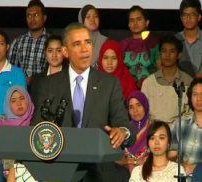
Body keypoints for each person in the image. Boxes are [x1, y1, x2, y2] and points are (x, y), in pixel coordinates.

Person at [31, 22, 136, 182]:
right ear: (65, 51)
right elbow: (37, 128)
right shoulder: (49, 85)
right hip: (60, 171)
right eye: (77, 44)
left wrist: (122, 132)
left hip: (99, 173)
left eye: (88, 42)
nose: (85, 49)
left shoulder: (110, 84)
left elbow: (126, 127)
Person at [141, 35, 193, 128]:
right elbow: (143, 114)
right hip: (153, 133)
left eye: (172, 51)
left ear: (179, 55)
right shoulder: (149, 83)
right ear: (159, 54)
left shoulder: (188, 82)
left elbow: (191, 114)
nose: (167, 55)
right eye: (164, 51)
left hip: (178, 133)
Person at [0, 86, 34, 177]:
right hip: (0, 173)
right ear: (8, 104)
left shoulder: (37, 123)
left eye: (22, 98)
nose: (19, 103)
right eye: (13, 101)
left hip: (31, 174)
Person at [8, 0, 50, 86]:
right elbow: (10, 69)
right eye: (29, 16)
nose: (32, 19)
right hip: (21, 87)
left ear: (44, 18)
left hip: (44, 87)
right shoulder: (18, 42)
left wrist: (34, 80)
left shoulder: (51, 41)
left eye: (36, 15)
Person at [120, 6, 161, 89]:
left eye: (139, 19)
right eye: (132, 20)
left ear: (147, 22)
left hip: (151, 90)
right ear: (129, 25)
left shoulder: (155, 44)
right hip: (127, 91)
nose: (135, 23)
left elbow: (161, 72)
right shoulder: (123, 45)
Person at [169, 77, 202, 176]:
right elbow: (171, 156)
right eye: (195, 94)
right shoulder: (180, 124)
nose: (199, 98)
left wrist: (195, 168)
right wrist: (180, 166)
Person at [117, 91, 151, 173]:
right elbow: (116, 159)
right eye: (131, 107)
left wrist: (128, 161)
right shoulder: (124, 131)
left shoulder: (154, 131)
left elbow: (156, 162)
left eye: (138, 105)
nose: (135, 110)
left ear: (145, 106)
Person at [29, 35, 69, 100]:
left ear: (64, 52)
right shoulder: (37, 79)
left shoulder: (70, 77)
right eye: (50, 51)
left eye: (58, 51)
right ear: (45, 53)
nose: (54, 55)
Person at [176, 0, 202, 77]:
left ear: (199, 17)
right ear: (181, 18)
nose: (188, 19)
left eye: (192, 15)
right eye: (185, 15)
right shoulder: (175, 40)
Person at [78, 4, 108, 69]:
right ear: (82, 20)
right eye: (88, 17)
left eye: (95, 16)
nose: (92, 19)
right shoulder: (75, 42)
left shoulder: (105, 42)